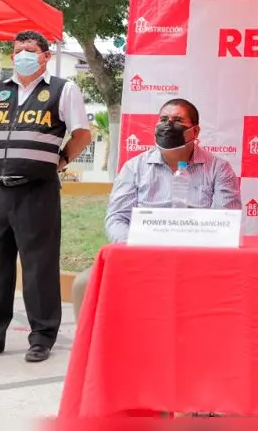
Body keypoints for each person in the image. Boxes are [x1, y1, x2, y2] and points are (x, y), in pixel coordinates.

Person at [0, 31, 92, 363]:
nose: (22, 56)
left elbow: (82, 134)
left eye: (30, 50)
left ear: (45, 56)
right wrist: (0, 158)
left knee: (39, 266)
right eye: (17, 51)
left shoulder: (63, 89)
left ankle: (42, 337)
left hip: (36, 191)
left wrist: (60, 160)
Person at [71, 98, 241, 320]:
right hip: (142, 256)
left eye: (178, 120)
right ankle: (92, 353)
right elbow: (116, 218)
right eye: (163, 119)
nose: (168, 125)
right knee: (82, 283)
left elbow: (224, 223)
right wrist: (132, 249)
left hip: (198, 259)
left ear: (195, 130)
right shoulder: (134, 167)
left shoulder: (219, 169)